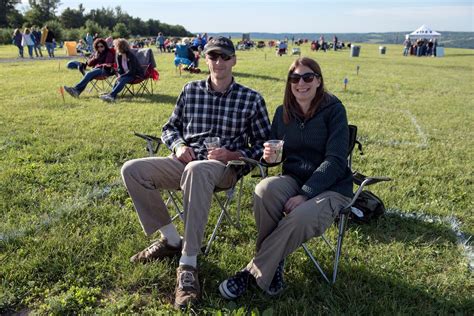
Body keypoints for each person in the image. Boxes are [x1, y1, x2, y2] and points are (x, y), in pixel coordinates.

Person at [121, 36, 271, 309]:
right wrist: (178, 146)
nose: (219, 62)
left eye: (225, 56)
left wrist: (233, 154)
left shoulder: (251, 99)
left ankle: (188, 264)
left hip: (223, 169)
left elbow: (263, 147)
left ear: (234, 60)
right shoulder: (190, 90)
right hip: (183, 162)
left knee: (198, 169)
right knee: (132, 170)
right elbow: (170, 128)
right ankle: (171, 239)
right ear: (205, 59)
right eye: (214, 56)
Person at [219, 57, 353, 299]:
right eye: (295, 78)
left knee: (300, 216)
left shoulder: (334, 110)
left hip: (332, 188)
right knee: (264, 190)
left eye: (307, 77)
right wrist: (269, 157)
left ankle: (253, 273)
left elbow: (336, 161)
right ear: (289, 83)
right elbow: (274, 158)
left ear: (318, 81)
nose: (301, 83)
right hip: (293, 178)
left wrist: (306, 193)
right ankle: (275, 264)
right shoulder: (283, 113)